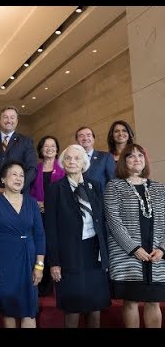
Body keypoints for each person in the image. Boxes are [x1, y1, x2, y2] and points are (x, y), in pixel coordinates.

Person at [44, 144, 111, 328]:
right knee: (72, 307)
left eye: (76, 158)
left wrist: (106, 255)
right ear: (63, 163)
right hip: (69, 255)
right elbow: (50, 228)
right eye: (68, 158)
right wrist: (54, 262)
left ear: (84, 163)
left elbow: (102, 222)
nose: (72, 161)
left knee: (95, 305)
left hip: (94, 253)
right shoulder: (54, 189)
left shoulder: (95, 186)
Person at [104, 143, 165, 328]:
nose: (137, 159)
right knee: (130, 301)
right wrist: (134, 248)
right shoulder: (114, 186)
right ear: (124, 161)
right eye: (131, 156)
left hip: (156, 254)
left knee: (154, 301)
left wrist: (162, 248)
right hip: (127, 255)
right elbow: (113, 221)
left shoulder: (159, 187)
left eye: (140, 155)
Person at [0, 161, 45, 328]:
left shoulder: (32, 203)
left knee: (29, 309)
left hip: (28, 260)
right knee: (8, 309)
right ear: (3, 179)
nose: (19, 178)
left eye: (22, 175)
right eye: (14, 174)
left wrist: (39, 266)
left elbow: (40, 235)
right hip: (3, 261)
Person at [30, 135, 65, 296]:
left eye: (53, 145)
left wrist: (48, 205)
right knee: (39, 246)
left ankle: (54, 282)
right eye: (46, 146)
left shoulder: (63, 168)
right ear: (41, 149)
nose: (49, 148)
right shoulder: (34, 169)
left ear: (57, 149)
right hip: (37, 215)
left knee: (53, 246)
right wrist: (36, 203)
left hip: (57, 216)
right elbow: (27, 190)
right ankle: (40, 283)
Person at [0, 106, 37, 195]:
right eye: (5, 117)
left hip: (18, 196)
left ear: (17, 121)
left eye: (12, 117)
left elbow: (32, 169)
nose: (9, 120)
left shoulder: (26, 142)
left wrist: (17, 186)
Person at [75, 126, 114, 192]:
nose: (85, 138)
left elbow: (112, 182)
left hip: (100, 200)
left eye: (88, 135)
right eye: (81, 136)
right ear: (77, 140)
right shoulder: (73, 160)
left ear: (93, 139)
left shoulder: (105, 157)